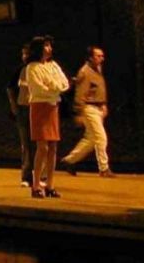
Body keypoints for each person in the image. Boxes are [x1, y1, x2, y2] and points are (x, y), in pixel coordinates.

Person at [23, 36, 70, 198]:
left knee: (53, 147)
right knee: (42, 146)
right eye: (46, 45)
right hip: (40, 107)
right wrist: (54, 89)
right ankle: (36, 185)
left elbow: (64, 83)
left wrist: (54, 88)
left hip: (53, 107)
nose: (49, 48)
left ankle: (50, 185)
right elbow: (38, 89)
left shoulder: (53, 65)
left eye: (50, 45)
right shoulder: (32, 67)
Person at [61, 46, 114, 177]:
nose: (102, 58)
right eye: (98, 56)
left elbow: (100, 89)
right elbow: (80, 94)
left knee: (91, 139)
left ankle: (69, 160)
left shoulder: (98, 69)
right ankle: (104, 168)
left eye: (102, 56)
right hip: (89, 108)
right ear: (90, 57)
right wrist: (79, 112)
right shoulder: (85, 72)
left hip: (98, 107)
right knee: (101, 137)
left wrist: (104, 104)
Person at [6, 43, 33, 187]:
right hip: (23, 110)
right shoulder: (20, 70)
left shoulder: (41, 69)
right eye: (23, 54)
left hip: (38, 109)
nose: (25, 57)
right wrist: (14, 108)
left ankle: (43, 175)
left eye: (27, 54)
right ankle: (26, 176)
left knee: (42, 145)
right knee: (26, 144)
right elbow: (10, 88)